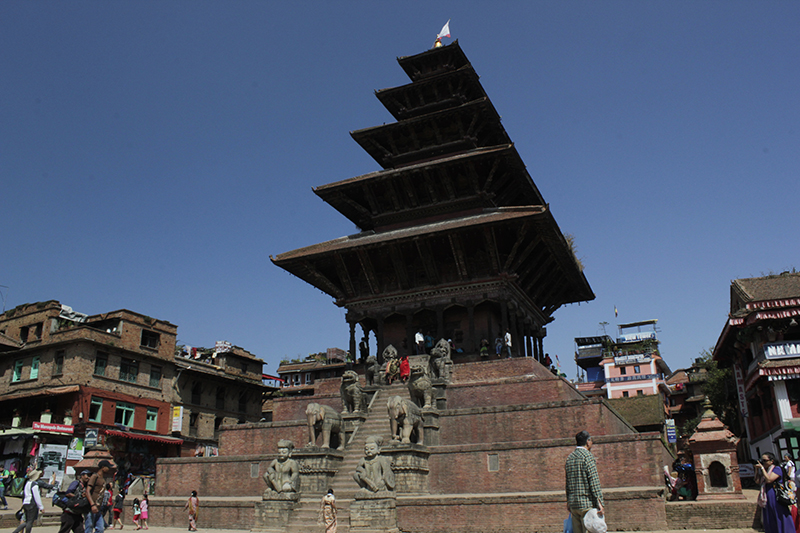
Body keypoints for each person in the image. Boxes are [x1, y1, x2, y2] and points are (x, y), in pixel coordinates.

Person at [565, 431, 604, 533]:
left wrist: (569, 501)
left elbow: (568, 483)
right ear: (588, 441)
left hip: (574, 505)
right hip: (587, 505)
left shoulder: (570, 458)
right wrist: (599, 502)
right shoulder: (588, 457)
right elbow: (594, 481)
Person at [756, 452, 795, 533]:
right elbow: (757, 481)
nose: (763, 463)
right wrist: (757, 470)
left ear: (771, 461)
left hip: (776, 496)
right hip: (767, 496)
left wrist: (762, 469)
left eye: (765, 460)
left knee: (779, 515)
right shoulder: (765, 471)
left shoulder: (777, 469)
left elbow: (769, 479)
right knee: (770, 517)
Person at [86, 460, 114, 533]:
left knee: (100, 529)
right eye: (108, 467)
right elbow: (87, 491)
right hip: (92, 507)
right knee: (89, 527)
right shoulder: (95, 476)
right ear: (103, 467)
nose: (109, 469)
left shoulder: (103, 479)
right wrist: (92, 505)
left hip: (99, 508)